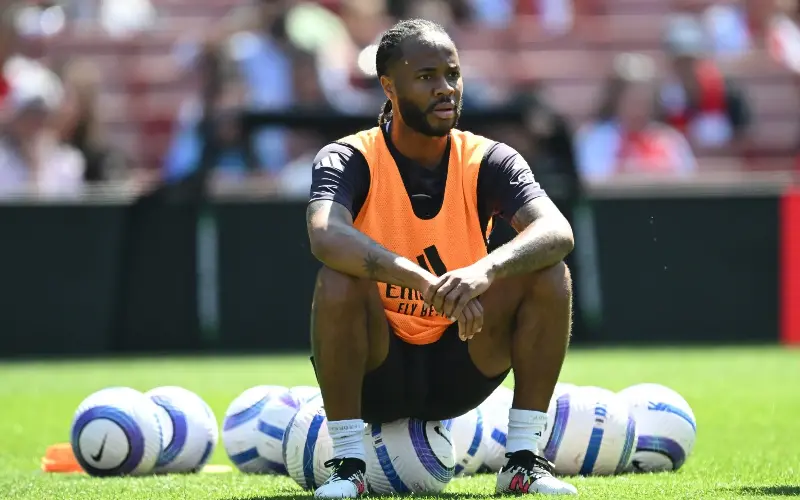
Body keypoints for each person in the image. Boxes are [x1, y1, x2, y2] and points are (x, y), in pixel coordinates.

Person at [306, 19, 577, 498]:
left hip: (461, 361)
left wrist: (483, 271)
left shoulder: (488, 158)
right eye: (426, 76)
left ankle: (522, 462)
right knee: (338, 279)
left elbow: (557, 232)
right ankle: (348, 466)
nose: (445, 88)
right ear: (389, 87)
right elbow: (325, 235)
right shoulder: (350, 156)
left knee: (549, 274)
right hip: (377, 371)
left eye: (452, 74)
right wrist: (424, 282)